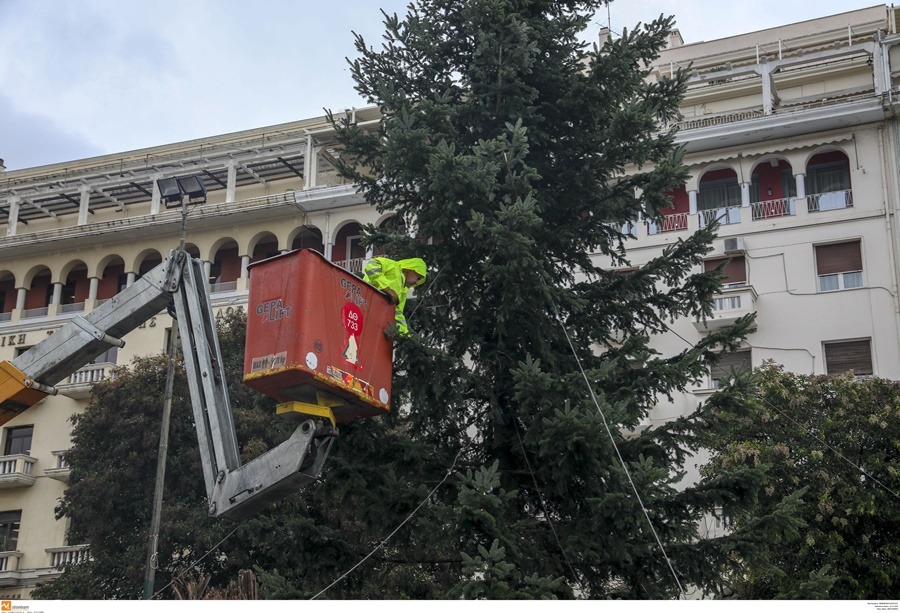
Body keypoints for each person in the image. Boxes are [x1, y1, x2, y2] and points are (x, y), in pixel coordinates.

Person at [363, 256, 427, 335]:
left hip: (373, 315)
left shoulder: (404, 290)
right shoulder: (394, 266)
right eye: (418, 278)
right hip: (363, 301)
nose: (417, 282)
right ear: (410, 270)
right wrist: (386, 288)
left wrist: (406, 337)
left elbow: (397, 313)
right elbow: (372, 264)